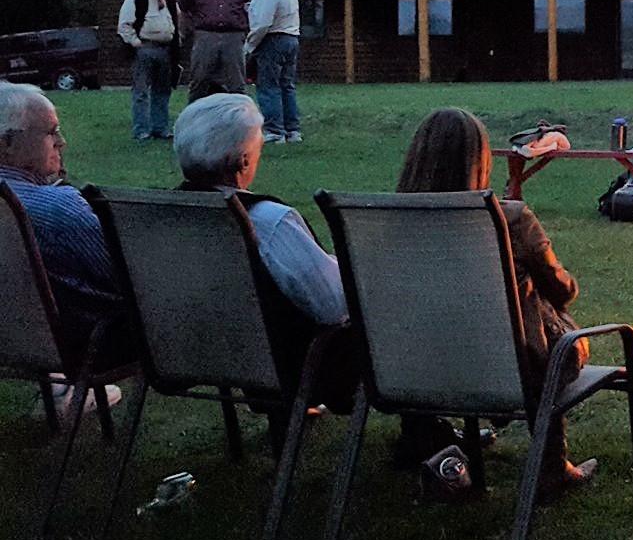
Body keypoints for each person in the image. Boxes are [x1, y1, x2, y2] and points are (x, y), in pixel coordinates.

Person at [395, 108, 595, 493]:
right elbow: (562, 290)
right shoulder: (510, 220)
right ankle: (552, 467)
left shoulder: (388, 221)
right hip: (508, 369)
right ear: (480, 160)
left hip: (416, 365)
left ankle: (417, 438)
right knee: (554, 339)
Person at [173, 93, 351, 446]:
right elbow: (332, 307)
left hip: (199, 350)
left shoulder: (163, 215)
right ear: (242, 161)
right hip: (289, 364)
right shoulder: (267, 221)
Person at [0, 83, 131, 407]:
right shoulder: (57, 206)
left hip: (12, 336)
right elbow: (124, 280)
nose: (62, 142)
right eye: (51, 132)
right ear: (6, 145)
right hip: (79, 340)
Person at [177, 0, 257, 100]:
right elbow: (182, 7)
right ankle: (195, 118)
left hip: (233, 38)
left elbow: (258, 7)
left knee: (237, 83)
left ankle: (239, 119)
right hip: (206, 37)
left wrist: (247, 27)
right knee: (199, 80)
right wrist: (190, 28)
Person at [117, 0, 180, 141]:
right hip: (144, 49)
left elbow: (178, 22)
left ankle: (160, 128)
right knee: (141, 92)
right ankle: (141, 130)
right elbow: (124, 25)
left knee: (163, 91)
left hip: (166, 51)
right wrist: (136, 43)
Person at [246, 0, 302, 144]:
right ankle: (292, 129)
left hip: (273, 40)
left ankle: (274, 130)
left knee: (268, 86)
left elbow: (263, 24)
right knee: (287, 85)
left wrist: (250, 45)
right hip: (292, 38)